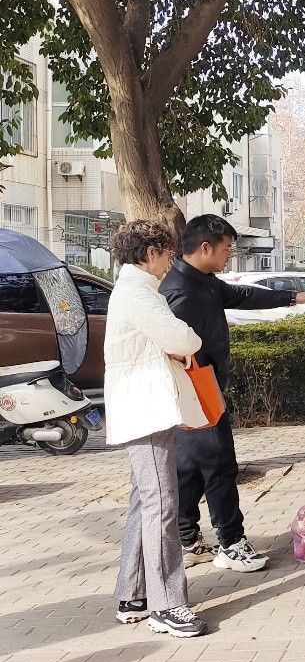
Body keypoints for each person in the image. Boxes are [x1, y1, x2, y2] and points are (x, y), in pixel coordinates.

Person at [162, 215, 305, 572]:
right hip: (195, 391)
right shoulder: (181, 291)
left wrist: (293, 296)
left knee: (189, 469)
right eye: (226, 249)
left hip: (200, 390)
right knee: (220, 465)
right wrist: (199, 392)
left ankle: (187, 540)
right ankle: (231, 543)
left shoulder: (202, 281)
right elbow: (176, 351)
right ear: (205, 248)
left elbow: (243, 295)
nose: (229, 256)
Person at [105, 221, 209, 638]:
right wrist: (187, 344)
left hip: (140, 408)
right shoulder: (140, 293)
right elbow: (182, 339)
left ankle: (133, 594)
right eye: (166, 253)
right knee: (162, 504)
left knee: (145, 501)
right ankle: (167, 605)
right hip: (145, 409)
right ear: (151, 253)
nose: (169, 262)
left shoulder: (131, 289)